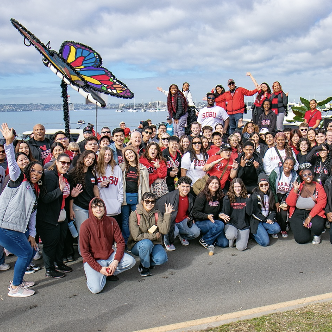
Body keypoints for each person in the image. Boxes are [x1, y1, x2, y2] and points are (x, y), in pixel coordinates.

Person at [0, 123, 43, 297]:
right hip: (5, 225)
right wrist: (8, 143)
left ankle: (20, 280)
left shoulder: (33, 190)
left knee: (31, 250)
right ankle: (15, 287)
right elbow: (11, 160)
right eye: (33, 170)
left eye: (40, 172)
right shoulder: (18, 179)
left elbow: (32, 215)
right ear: (27, 170)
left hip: (19, 227)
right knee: (25, 253)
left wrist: (32, 234)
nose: (37, 173)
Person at [37, 153, 80, 278]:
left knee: (60, 241)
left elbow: (64, 197)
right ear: (56, 162)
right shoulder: (50, 176)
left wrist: (72, 194)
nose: (66, 165)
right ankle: (49, 269)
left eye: (68, 163)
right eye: (63, 162)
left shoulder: (65, 176)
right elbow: (45, 198)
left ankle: (59, 263)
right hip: (49, 217)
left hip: (61, 214)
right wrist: (59, 190)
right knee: (50, 244)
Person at [80, 197, 135, 293]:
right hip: (94, 260)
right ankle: (98, 275)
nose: (98, 209)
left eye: (100, 206)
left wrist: (116, 261)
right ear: (91, 209)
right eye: (95, 207)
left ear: (104, 208)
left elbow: (121, 242)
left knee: (131, 261)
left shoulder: (112, 221)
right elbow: (84, 252)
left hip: (109, 256)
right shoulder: (85, 226)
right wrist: (99, 269)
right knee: (96, 289)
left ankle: (106, 273)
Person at [128, 192, 173, 277]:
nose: (150, 204)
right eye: (147, 201)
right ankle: (144, 267)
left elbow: (164, 231)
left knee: (162, 259)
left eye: (152, 201)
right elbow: (136, 236)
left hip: (154, 243)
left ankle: (147, 260)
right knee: (147, 243)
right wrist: (154, 236)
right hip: (137, 244)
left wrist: (167, 214)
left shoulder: (157, 213)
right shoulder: (135, 214)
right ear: (142, 202)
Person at [156, 176, 200, 251]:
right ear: (178, 186)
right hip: (171, 221)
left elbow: (192, 210)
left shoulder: (191, 197)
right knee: (174, 231)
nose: (185, 189)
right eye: (183, 186)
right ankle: (168, 242)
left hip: (182, 220)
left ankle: (182, 236)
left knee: (196, 232)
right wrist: (164, 220)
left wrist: (190, 217)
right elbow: (157, 208)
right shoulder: (169, 197)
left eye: (187, 186)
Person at [68, 150, 99, 251]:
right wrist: (71, 210)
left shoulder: (92, 172)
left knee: (93, 230)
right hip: (79, 206)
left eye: (92, 159)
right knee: (83, 231)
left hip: (91, 206)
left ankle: (91, 250)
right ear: (83, 157)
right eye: (88, 158)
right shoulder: (73, 173)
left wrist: (98, 200)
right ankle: (83, 253)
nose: (90, 160)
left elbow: (95, 187)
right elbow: (71, 194)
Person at [286, 168, 326, 244]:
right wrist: (295, 190)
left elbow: (321, 203)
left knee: (317, 225)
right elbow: (290, 203)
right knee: (302, 240)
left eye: (309, 174)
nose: (307, 176)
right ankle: (306, 230)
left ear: (313, 175)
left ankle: (316, 234)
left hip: (314, 213)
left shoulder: (319, 187)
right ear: (302, 178)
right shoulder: (299, 186)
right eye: (305, 175)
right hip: (298, 213)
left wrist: (309, 217)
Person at [120, 146, 149, 244]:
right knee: (125, 221)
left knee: (137, 219)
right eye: (127, 154)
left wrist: (145, 199)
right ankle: (126, 240)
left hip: (138, 197)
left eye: (130, 153)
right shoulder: (122, 168)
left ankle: (136, 239)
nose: (129, 155)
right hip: (125, 197)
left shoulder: (142, 168)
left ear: (135, 153)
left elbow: (145, 185)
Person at [192, 176, 229, 252]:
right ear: (208, 184)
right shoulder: (202, 196)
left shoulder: (220, 195)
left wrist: (220, 214)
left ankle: (210, 238)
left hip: (214, 222)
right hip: (201, 222)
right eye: (212, 183)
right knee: (220, 225)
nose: (214, 185)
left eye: (216, 183)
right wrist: (206, 216)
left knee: (224, 243)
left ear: (219, 185)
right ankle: (204, 240)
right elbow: (195, 213)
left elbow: (221, 209)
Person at [220, 178, 252, 251]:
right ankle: (232, 239)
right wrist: (226, 202)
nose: (237, 189)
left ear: (242, 187)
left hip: (243, 225)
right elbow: (226, 213)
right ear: (232, 188)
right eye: (235, 187)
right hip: (232, 223)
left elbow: (249, 213)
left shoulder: (246, 197)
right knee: (231, 235)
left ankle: (240, 237)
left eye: (239, 186)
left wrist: (248, 201)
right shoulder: (228, 198)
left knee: (241, 248)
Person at [269, 157, 298, 238]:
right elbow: (271, 186)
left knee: (283, 212)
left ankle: (283, 228)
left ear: (293, 167)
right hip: (275, 194)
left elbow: (293, 190)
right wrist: (276, 201)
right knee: (275, 210)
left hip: (286, 196)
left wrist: (287, 202)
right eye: (286, 163)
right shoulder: (276, 172)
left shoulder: (294, 175)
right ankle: (274, 230)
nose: (287, 166)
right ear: (283, 163)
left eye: (290, 165)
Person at [96, 147, 123, 226]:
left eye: (109, 155)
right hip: (102, 205)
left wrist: (119, 202)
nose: (107, 157)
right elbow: (93, 187)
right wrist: (100, 185)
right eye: (105, 155)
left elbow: (120, 186)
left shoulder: (117, 169)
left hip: (115, 206)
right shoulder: (96, 169)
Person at [250, 174, 280, 246]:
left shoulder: (270, 194)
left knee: (276, 229)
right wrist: (265, 220)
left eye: (266, 184)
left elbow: (273, 209)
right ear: (258, 185)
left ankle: (263, 231)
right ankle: (253, 234)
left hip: (266, 219)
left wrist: (270, 218)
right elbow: (254, 213)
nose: (264, 187)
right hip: (257, 221)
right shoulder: (254, 196)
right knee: (265, 243)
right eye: (261, 185)